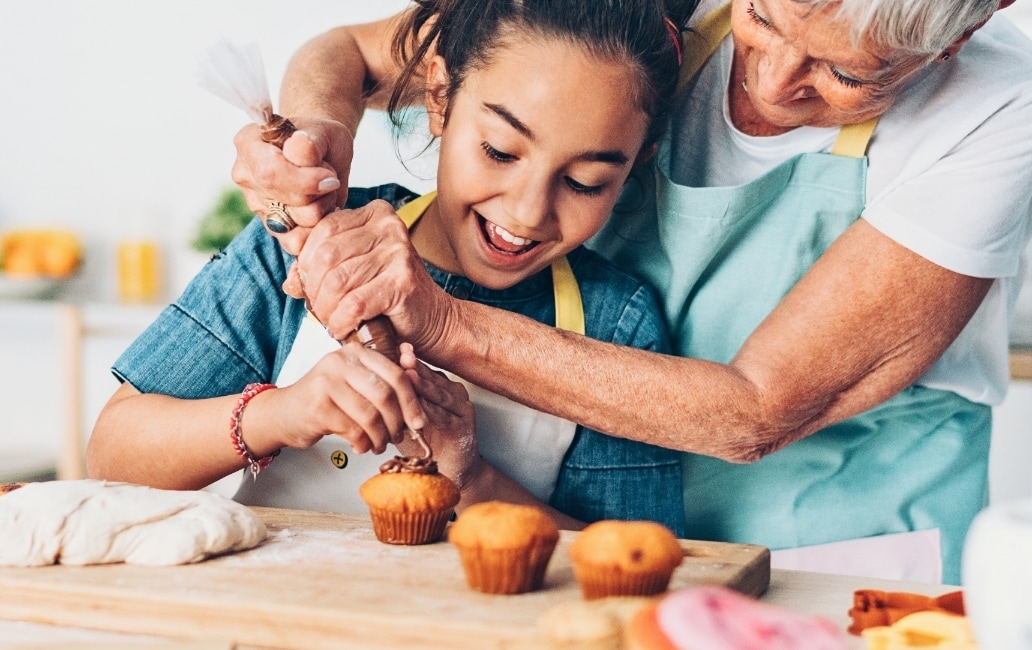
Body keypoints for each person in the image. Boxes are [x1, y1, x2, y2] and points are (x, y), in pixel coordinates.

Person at [229, 0, 1032, 584]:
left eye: (848, 70)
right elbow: (350, 52)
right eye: (762, 17)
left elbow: (755, 412)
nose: (776, 79)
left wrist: (437, 321)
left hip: (847, 544)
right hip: (606, 526)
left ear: (967, 28)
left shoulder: (1000, 109)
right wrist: (314, 139)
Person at [87, 0, 693, 534]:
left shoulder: (617, 323)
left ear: (637, 164)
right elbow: (113, 456)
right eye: (499, 151)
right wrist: (283, 412)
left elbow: (633, 560)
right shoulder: (311, 238)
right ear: (439, 97)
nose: (528, 212)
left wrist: (471, 476)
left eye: (586, 181)